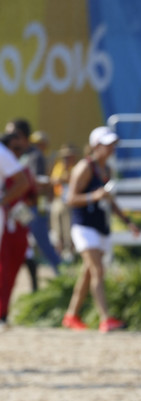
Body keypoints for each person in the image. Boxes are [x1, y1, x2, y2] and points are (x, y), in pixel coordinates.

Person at [61, 126, 139, 333]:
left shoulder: (107, 169)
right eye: (107, 144)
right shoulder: (85, 167)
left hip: (99, 225)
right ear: (95, 146)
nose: (112, 148)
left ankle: (71, 315)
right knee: (97, 270)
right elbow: (70, 198)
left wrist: (127, 221)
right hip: (84, 226)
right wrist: (92, 196)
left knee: (87, 273)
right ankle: (105, 319)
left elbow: (109, 200)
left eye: (113, 144)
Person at [5, 119, 61, 288]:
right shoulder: (14, 154)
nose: (8, 137)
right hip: (18, 207)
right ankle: (34, 287)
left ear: (22, 136)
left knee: (42, 243)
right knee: (22, 247)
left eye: (12, 133)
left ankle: (63, 276)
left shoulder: (33, 155)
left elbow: (34, 182)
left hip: (32, 207)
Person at [0, 132, 33, 332]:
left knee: (11, 269)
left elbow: (29, 191)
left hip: (15, 223)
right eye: (16, 148)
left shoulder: (17, 164)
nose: (17, 152)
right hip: (9, 222)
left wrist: (7, 204)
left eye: (21, 148)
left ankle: (3, 312)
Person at [49, 144, 79, 260]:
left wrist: (63, 179)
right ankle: (60, 256)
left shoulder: (76, 167)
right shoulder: (59, 166)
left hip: (71, 202)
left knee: (69, 230)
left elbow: (72, 180)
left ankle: (70, 255)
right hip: (59, 200)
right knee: (57, 230)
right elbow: (54, 180)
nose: (67, 159)